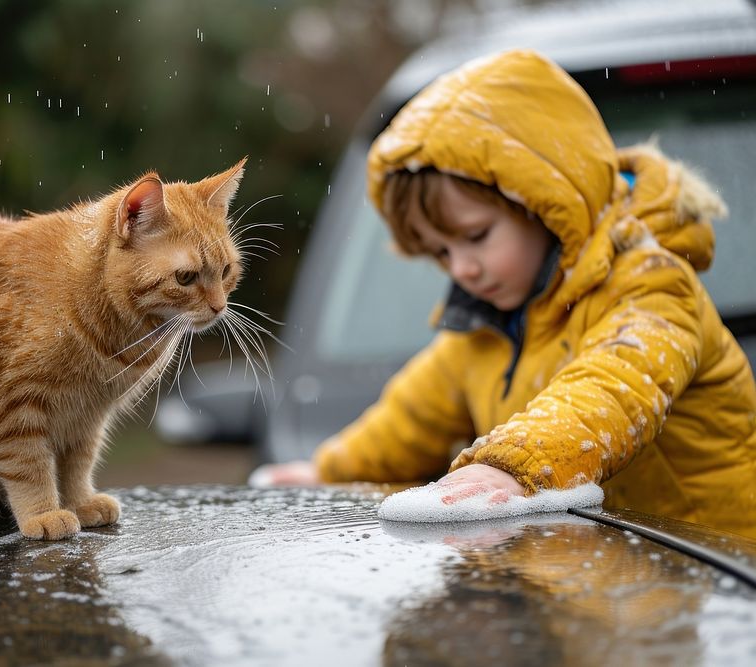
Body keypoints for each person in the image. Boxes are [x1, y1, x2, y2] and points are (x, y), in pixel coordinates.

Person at [253, 49, 756, 538]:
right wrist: (329, 472)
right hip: (602, 591)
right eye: (440, 252)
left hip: (720, 583)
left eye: (475, 237)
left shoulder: (652, 288)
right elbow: (409, 418)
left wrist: (514, 467)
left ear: (544, 205)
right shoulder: (485, 326)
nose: (462, 268)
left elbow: (614, 384)